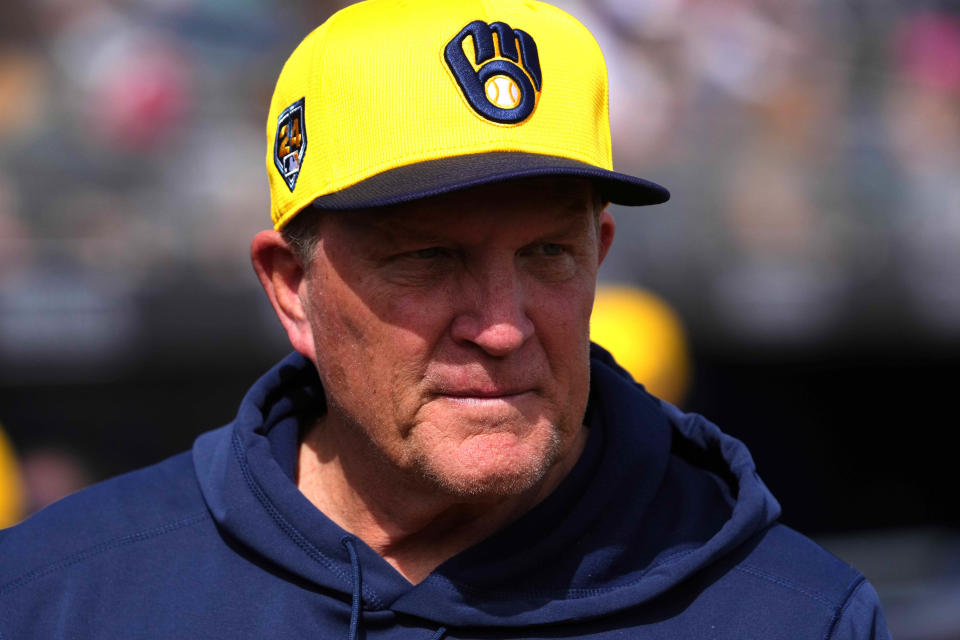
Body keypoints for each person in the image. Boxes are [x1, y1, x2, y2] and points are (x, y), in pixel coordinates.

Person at [0, 0, 891, 637]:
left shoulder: (791, 613)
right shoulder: (64, 595)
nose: (501, 327)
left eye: (547, 254)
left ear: (600, 258)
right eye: (427, 258)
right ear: (288, 288)